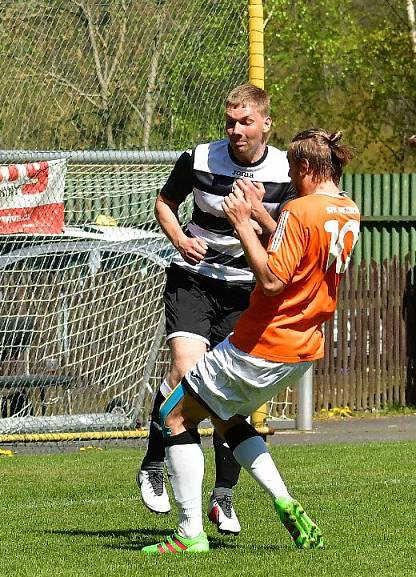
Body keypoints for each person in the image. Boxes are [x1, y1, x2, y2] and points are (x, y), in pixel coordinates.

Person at [142, 128, 360, 555]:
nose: (292, 181)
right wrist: (261, 215)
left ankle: (189, 534)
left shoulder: (300, 209)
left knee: (173, 414)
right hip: (302, 348)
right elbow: (295, 243)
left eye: (296, 172)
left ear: (308, 167)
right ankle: (284, 501)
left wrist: (241, 222)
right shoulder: (348, 209)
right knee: (225, 417)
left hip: (262, 341)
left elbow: (273, 278)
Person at [138, 83, 296, 535]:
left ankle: (222, 498)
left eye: (246, 122)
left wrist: (252, 214)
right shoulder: (201, 157)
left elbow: (285, 239)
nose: (236, 130)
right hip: (194, 280)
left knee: (228, 399)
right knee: (186, 376)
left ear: (266, 123)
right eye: (230, 122)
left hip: (248, 288)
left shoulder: (286, 170)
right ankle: (153, 463)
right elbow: (164, 203)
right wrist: (180, 240)